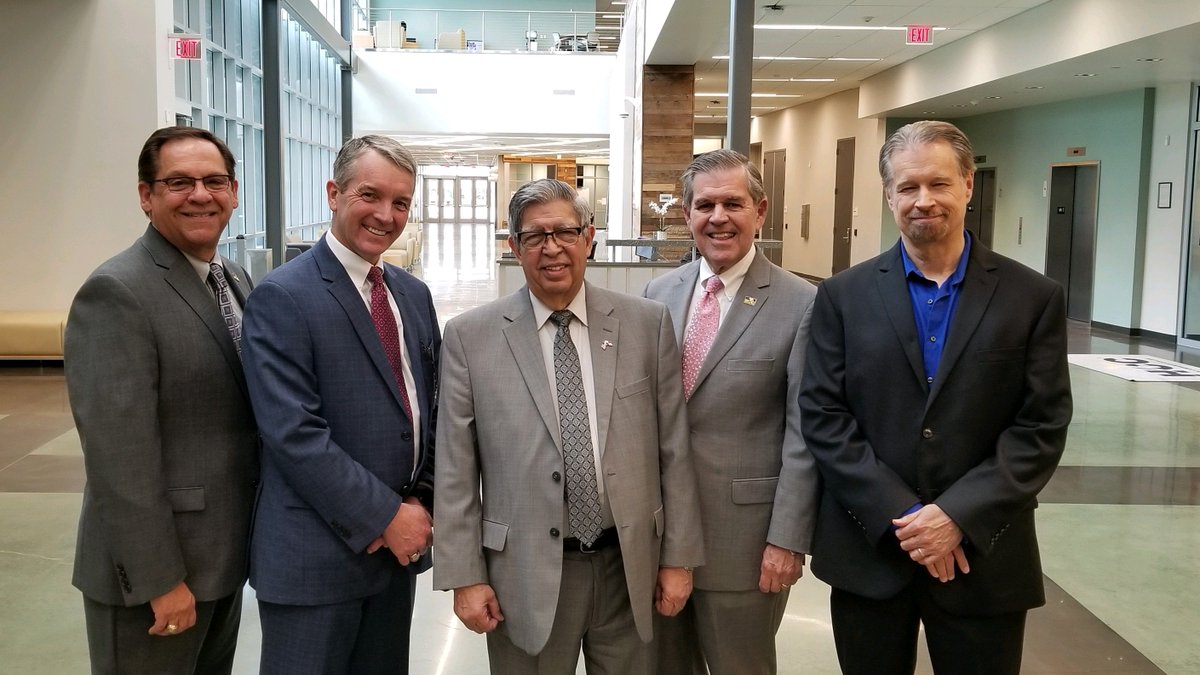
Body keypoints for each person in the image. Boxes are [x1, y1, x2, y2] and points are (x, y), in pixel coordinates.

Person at [798, 120, 1073, 674]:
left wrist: (955, 515)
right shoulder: (841, 296)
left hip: (985, 556)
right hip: (871, 552)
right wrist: (907, 517)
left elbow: (1040, 426)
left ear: (968, 185)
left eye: (939, 184)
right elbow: (824, 416)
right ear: (888, 195)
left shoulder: (1032, 298)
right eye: (907, 187)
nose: (923, 200)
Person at [434, 178, 704, 674]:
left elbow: (674, 451)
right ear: (514, 246)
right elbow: (455, 469)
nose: (552, 248)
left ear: (589, 237)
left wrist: (679, 558)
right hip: (524, 574)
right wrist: (464, 577)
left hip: (629, 569)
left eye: (565, 231)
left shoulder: (646, 324)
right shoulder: (470, 337)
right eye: (535, 236)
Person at [240, 135, 440, 673]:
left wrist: (421, 502)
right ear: (334, 192)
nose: (385, 214)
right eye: (369, 195)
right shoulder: (284, 296)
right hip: (316, 559)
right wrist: (386, 515)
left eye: (400, 202)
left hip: (395, 559)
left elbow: (432, 410)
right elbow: (293, 434)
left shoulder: (411, 295)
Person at [65, 126, 259, 674]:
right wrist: (160, 580)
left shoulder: (233, 279)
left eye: (214, 181)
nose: (200, 194)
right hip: (157, 577)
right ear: (146, 196)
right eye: (179, 182)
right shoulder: (117, 292)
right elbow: (117, 458)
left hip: (220, 560)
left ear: (235, 191)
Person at [643, 149, 819, 675]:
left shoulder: (801, 303)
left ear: (760, 211)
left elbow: (805, 434)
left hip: (745, 542)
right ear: (688, 214)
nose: (718, 217)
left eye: (733, 204)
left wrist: (787, 539)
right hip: (661, 536)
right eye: (705, 205)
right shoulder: (658, 294)